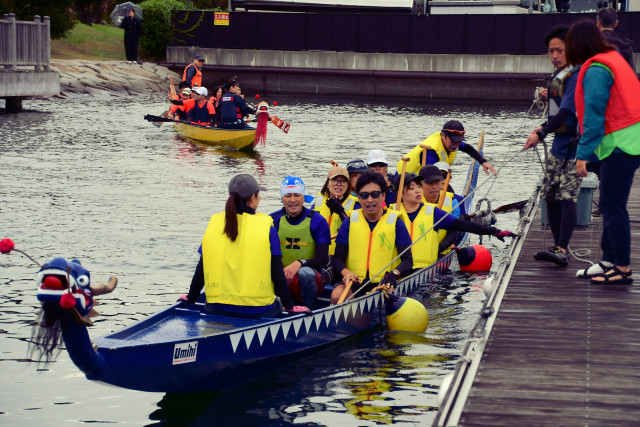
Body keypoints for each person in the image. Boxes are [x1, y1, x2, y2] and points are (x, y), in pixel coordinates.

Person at [567, 19, 640, 284]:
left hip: (621, 144)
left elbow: (595, 116)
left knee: (613, 207)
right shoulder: (612, 58)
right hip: (629, 140)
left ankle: (622, 268)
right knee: (610, 204)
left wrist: (583, 154)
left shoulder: (597, 68)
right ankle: (609, 260)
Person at [183, 174, 308, 316]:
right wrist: (290, 307)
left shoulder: (214, 224)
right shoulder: (266, 227)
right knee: (277, 302)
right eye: (259, 195)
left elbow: (201, 270)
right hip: (259, 309)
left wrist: (190, 299)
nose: (260, 198)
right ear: (253, 197)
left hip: (216, 307)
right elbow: (277, 273)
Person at [523, 25, 582, 267]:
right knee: (550, 195)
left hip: (576, 145)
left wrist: (541, 133)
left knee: (567, 196)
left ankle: (562, 249)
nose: (555, 55)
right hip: (559, 143)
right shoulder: (559, 75)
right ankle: (558, 246)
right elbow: (556, 115)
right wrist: (541, 127)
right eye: (551, 51)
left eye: (560, 50)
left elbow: (567, 112)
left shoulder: (576, 76)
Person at [392, 171, 515, 269]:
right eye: (411, 188)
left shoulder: (433, 213)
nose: (418, 190)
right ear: (400, 194)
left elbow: (463, 225)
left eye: (419, 186)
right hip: (398, 270)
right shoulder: (392, 214)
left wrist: (494, 231)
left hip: (424, 269)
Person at [330, 170, 413, 303]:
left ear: (383, 195)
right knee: (336, 296)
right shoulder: (349, 222)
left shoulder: (396, 223)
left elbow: (408, 261)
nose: (369, 200)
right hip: (355, 281)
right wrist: (346, 273)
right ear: (358, 197)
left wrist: (393, 274)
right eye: (364, 195)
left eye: (375, 194)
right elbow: (338, 258)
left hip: (384, 283)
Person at [270, 176, 332, 307]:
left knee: (305, 273)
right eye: (288, 195)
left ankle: (309, 308)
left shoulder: (318, 221)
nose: (292, 200)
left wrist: (300, 263)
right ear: (282, 198)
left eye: (297, 195)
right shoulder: (273, 220)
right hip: (282, 275)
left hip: (309, 277)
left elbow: (322, 260)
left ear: (303, 197)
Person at [398, 120, 496, 176]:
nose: (456, 144)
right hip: (405, 180)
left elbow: (467, 148)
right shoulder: (431, 152)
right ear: (442, 135)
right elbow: (431, 178)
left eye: (459, 141)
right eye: (453, 140)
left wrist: (483, 162)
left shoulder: (454, 144)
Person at [311, 164, 358, 256]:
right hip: (320, 254)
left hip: (340, 255)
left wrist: (341, 213)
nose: (339, 184)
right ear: (328, 183)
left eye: (343, 181)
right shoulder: (317, 203)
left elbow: (357, 231)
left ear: (347, 185)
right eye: (335, 180)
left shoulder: (356, 205)